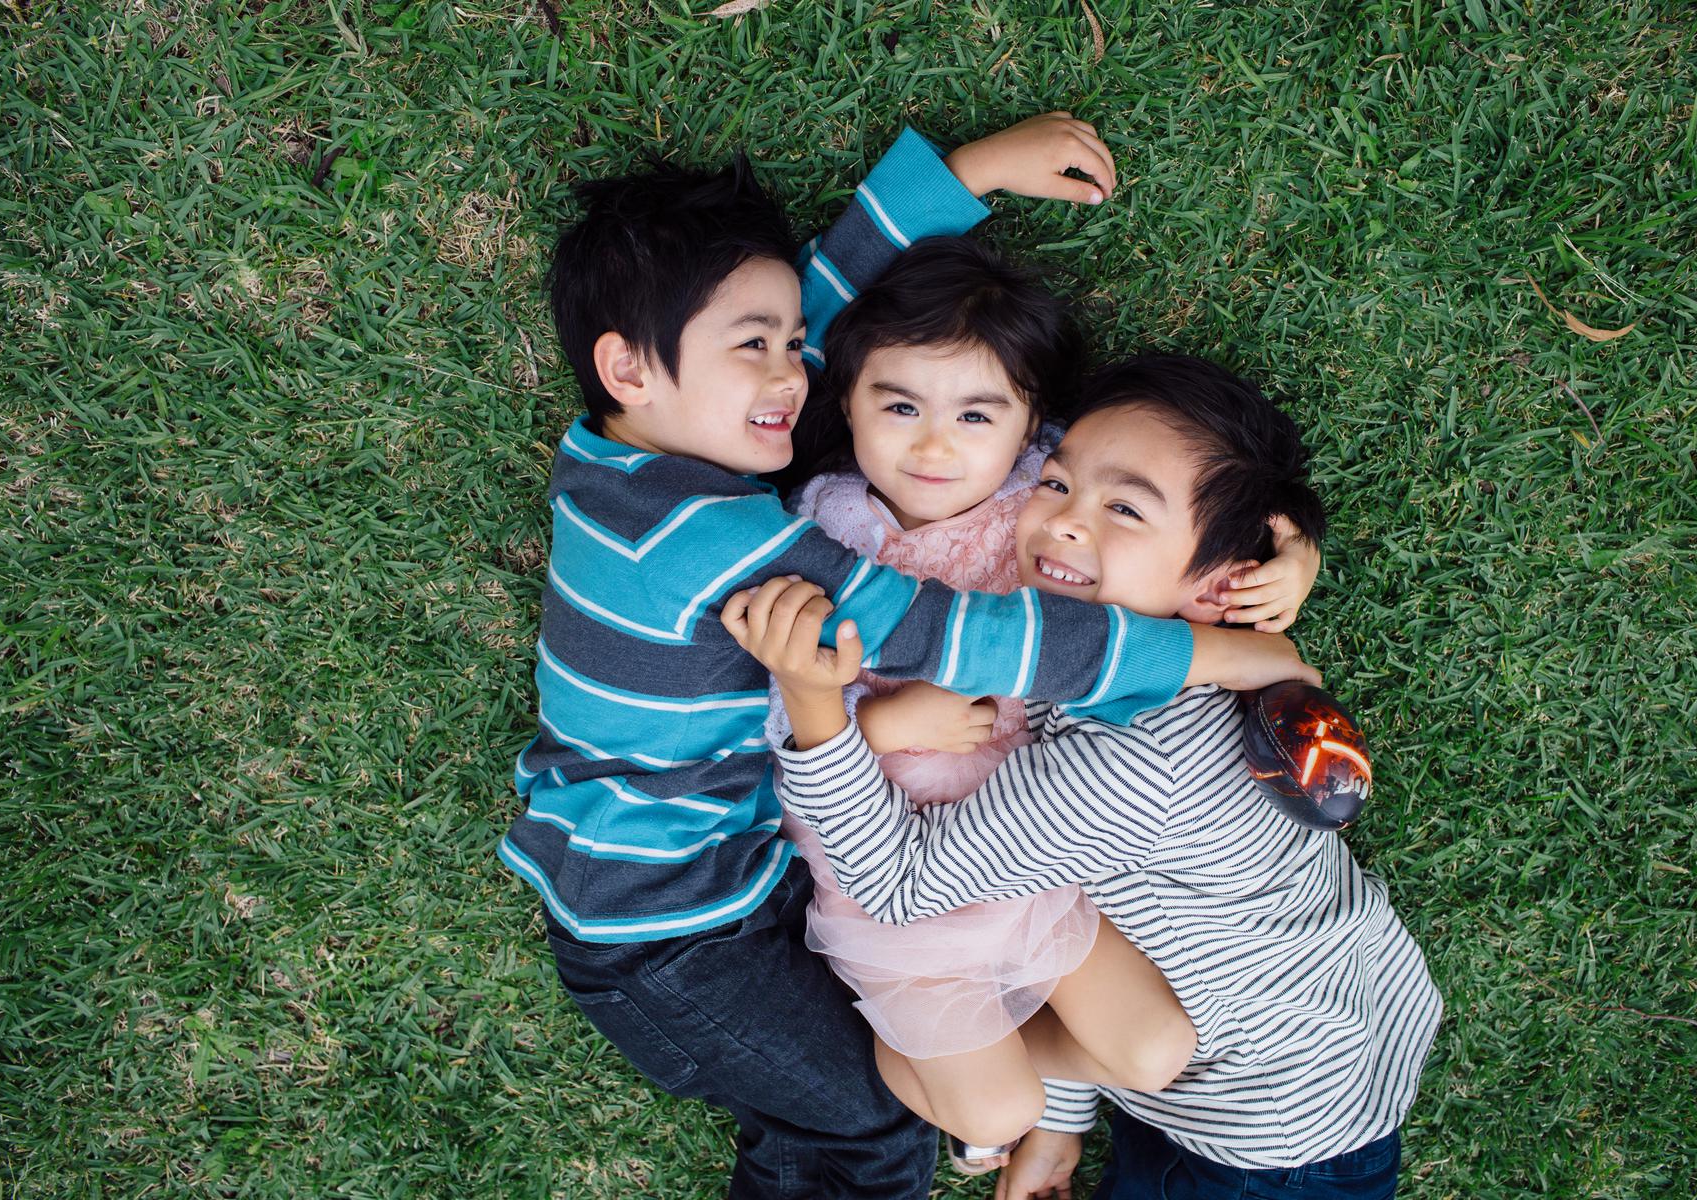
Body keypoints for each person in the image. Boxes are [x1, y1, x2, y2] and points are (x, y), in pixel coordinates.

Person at [504, 116, 1320, 1199]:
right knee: (868, 1136)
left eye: (792, 346)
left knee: (926, 1084)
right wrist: (1215, 656)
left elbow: (835, 327)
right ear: (628, 366)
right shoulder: (702, 538)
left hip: (740, 881)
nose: (794, 372)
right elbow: (957, 636)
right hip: (666, 937)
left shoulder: (625, 467)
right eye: (757, 346)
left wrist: (968, 175)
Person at [730, 355, 1442, 1200]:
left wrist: (819, 710)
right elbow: (1084, 923)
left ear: (1223, 586)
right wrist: (1061, 1124)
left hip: (1261, 1144)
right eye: (1058, 484)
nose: (1065, 521)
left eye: (1124, 508)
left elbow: (899, 881)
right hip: (1350, 1020)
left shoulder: (1123, 764)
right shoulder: (1216, 666)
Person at [767, 239, 1324, 1174]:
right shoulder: (812, 530)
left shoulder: (1037, 492)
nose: (936, 445)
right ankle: (924, 1053)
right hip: (883, 869)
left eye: (976, 414)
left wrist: (1289, 539)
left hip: (1028, 860)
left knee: (1155, 1051)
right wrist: (881, 726)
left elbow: (1167, 477)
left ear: (1028, 425)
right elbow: (770, 699)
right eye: (898, 406)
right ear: (847, 402)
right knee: (993, 1114)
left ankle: (993, 1061)